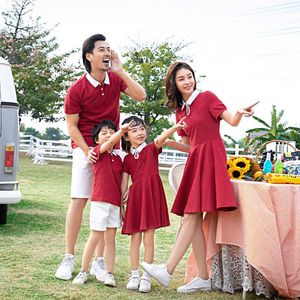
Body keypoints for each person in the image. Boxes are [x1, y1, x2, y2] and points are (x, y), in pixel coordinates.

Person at [141, 62, 259, 293]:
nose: (187, 81)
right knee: (191, 217)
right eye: (181, 79)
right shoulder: (180, 112)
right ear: (174, 84)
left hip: (212, 157)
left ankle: (167, 270)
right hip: (196, 159)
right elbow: (189, 146)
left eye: (189, 76)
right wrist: (168, 141)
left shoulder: (207, 98)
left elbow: (231, 120)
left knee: (191, 215)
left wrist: (240, 113)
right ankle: (204, 277)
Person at [55, 33, 146, 281]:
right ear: (89, 56)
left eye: (109, 49)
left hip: (113, 148)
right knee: (79, 199)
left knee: (108, 203)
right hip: (85, 148)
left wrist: (121, 70)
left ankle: (99, 261)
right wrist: (88, 152)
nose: (107, 53)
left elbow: (141, 96)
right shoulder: (76, 89)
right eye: (102, 49)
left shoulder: (115, 79)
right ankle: (69, 257)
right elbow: (72, 126)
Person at [120, 115, 187, 293]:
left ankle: (146, 276)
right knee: (135, 239)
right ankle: (134, 274)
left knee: (149, 238)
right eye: (134, 131)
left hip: (150, 195)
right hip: (135, 198)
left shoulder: (151, 149)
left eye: (142, 128)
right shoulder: (126, 159)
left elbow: (161, 138)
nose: (140, 133)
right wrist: (122, 202)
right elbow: (124, 183)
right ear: (126, 137)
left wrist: (175, 127)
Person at [72, 119, 133, 286]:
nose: (109, 135)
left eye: (111, 132)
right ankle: (83, 271)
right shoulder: (97, 152)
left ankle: (109, 273)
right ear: (97, 140)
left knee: (110, 239)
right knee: (95, 236)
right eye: (104, 133)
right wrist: (121, 132)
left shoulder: (119, 158)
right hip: (99, 201)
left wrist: (123, 199)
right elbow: (109, 143)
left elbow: (122, 182)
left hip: (114, 203)